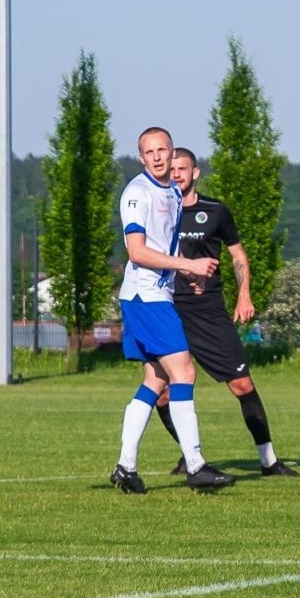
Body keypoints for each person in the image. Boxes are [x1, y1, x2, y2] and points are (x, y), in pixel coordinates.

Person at [152, 148, 299, 477]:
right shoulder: (158, 211)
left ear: (195, 173)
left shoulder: (215, 211)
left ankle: (269, 462)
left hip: (208, 311)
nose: (176, 174)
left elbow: (238, 256)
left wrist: (244, 294)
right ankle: (190, 456)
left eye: (182, 169)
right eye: (171, 169)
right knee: (161, 393)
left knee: (242, 385)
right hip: (169, 309)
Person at [110, 127, 235, 494]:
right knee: (184, 372)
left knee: (156, 380)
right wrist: (188, 265)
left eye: (162, 150)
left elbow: (165, 245)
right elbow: (137, 251)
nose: (157, 157)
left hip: (157, 295)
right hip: (145, 297)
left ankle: (125, 467)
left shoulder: (172, 193)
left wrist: (188, 274)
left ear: (171, 152)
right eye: (150, 152)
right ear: (141, 157)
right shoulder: (137, 193)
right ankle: (195, 464)